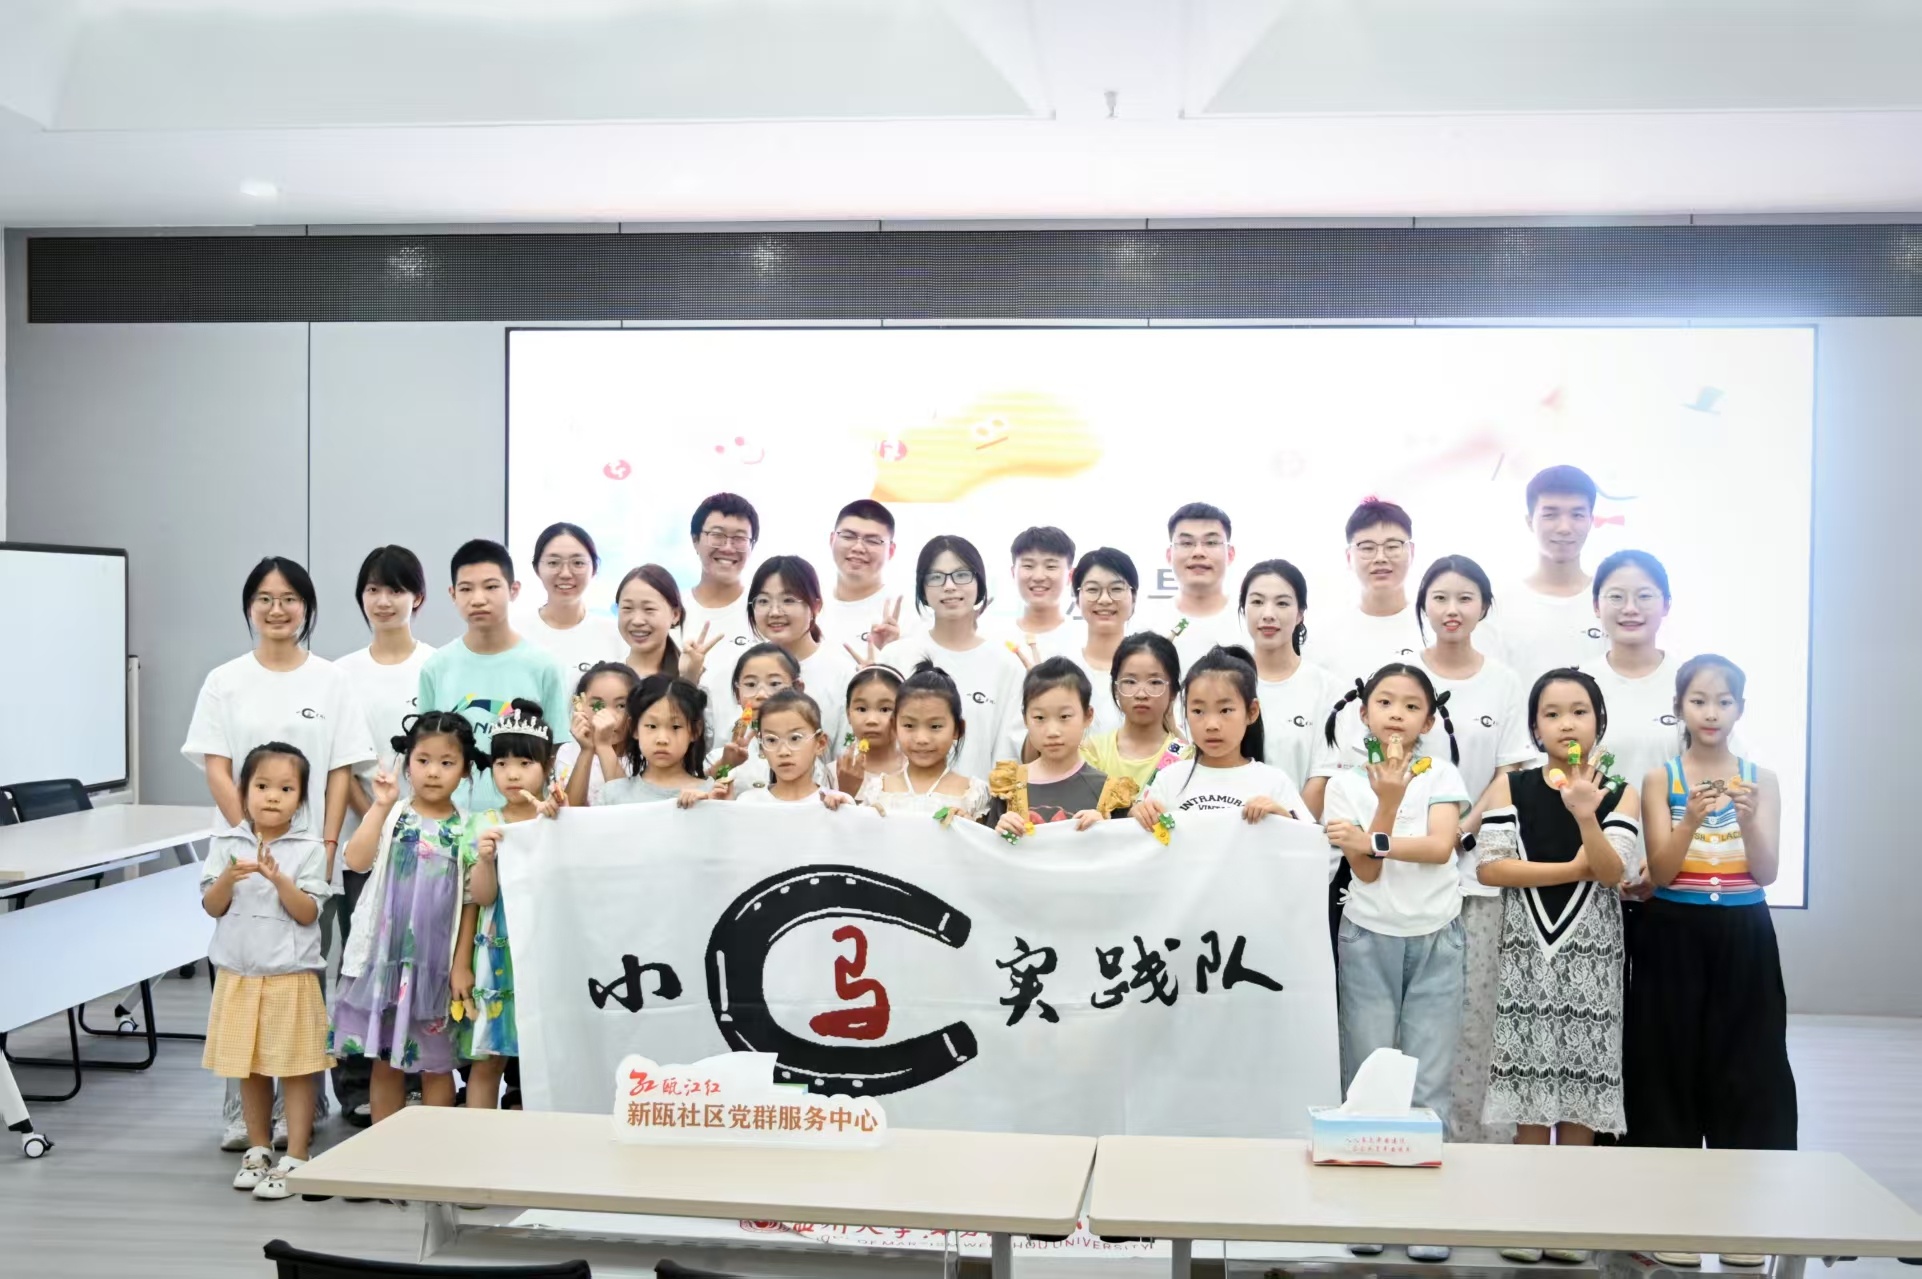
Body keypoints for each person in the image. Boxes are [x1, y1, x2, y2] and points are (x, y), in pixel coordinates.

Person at [182, 555, 374, 1150]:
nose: (277, 609)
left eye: (290, 598)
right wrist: (250, 833)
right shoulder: (225, 679)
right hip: (242, 851)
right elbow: (217, 766)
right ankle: (244, 1112)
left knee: (302, 977)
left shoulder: (331, 680)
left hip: (308, 854)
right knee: (241, 973)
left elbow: (340, 769)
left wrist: (325, 843)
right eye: (265, 598)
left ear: (307, 608)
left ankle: (303, 1105)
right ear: (249, 607)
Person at [1320, 664, 1469, 1264]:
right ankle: (1367, 1211)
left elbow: (1439, 848)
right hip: (1368, 938)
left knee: (1429, 1082)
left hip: (1437, 937)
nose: (1397, 714)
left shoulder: (1444, 774)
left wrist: (1372, 838)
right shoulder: (1343, 784)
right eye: (1385, 702)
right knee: (1367, 1079)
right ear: (1364, 714)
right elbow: (1367, 872)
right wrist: (1385, 804)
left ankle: (1426, 1215)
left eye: (1412, 705)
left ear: (1428, 721)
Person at [1630, 656, 1796, 1175]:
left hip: (1745, 930)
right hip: (1673, 930)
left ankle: (1745, 1194)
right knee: (1668, 1057)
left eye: (1724, 702)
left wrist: (1746, 824)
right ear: (1679, 707)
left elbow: (1766, 872)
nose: (1711, 713)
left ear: (1740, 709)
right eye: (1699, 701)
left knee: (1749, 1057)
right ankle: (1665, 1193)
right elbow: (1662, 872)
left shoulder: (1761, 781)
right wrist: (1691, 822)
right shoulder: (1660, 779)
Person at [1476, 669, 1641, 1177]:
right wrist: (1573, 868)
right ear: (1535, 728)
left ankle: (1573, 1205)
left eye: (1578, 712)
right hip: (1527, 953)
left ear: (1599, 721)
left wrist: (1586, 815)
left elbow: (1611, 872)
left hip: (1594, 956)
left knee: (1582, 1086)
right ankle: (1526, 1205)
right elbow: (1492, 868)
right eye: (1551, 714)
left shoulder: (1620, 792)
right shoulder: (1511, 786)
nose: (1566, 723)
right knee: (1529, 1088)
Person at [1409, 555, 1535, 1145]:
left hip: (1480, 868)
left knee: (1477, 1013)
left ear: (1484, 606)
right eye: (1440, 597)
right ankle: (1414, 1135)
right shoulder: (1404, 674)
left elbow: (1512, 768)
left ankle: (1477, 1144)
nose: (1452, 609)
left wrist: (1464, 825)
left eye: (1465, 598)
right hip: (1411, 866)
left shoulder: (1504, 681)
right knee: (1421, 1015)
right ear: (1424, 606)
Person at [331, 711, 489, 1122]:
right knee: (386, 1062)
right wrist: (380, 805)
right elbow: (356, 859)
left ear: (465, 770)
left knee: (436, 1065)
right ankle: (386, 1150)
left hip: (435, 968)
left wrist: (461, 965)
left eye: (447, 762)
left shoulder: (469, 828)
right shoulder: (393, 815)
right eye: (423, 760)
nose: (433, 772)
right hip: (385, 960)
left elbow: (471, 901)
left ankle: (432, 1153)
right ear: (407, 765)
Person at [331, 544, 436, 1128]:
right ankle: (355, 1087)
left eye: (395, 589)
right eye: (373, 589)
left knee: (419, 961)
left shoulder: (437, 666)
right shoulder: (342, 673)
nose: (384, 600)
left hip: (428, 843)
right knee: (361, 962)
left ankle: (418, 1077)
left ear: (417, 597)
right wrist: (375, 815)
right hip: (367, 839)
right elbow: (343, 765)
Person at [200, 743, 332, 1201]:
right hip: (239, 974)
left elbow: (308, 913)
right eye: (261, 786)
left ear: (301, 799)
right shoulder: (226, 844)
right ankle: (258, 1149)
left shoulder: (310, 849)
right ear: (243, 791)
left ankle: (296, 1154)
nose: (272, 796)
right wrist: (227, 879)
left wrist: (279, 879)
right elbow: (211, 906)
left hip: (289, 975)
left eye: (286, 789)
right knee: (249, 1066)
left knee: (295, 1068)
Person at [455, 701, 565, 1112]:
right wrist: (485, 860)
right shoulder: (483, 823)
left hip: (546, 950)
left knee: (547, 1056)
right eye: (502, 763)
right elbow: (480, 899)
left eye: (524, 762)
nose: (512, 774)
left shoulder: (560, 819)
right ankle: (480, 1144)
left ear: (547, 765)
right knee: (488, 1060)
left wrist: (557, 823)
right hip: (496, 955)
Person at [417, 539, 569, 814]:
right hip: (454, 821)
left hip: (525, 821)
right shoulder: (436, 667)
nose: (478, 599)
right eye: (466, 589)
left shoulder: (544, 666)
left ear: (514, 590)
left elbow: (557, 750)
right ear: (452, 594)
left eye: (491, 587)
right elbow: (424, 748)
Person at [877, 536, 1025, 780]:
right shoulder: (895, 656)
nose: (949, 586)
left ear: (979, 582)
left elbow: (1008, 754)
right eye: (936, 577)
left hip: (979, 801)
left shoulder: (1006, 666)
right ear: (922, 588)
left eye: (961, 575)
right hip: (900, 799)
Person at [1131, 646, 1308, 824]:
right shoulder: (1169, 780)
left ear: (1252, 711)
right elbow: (1141, 837)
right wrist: (1138, 816)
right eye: (1198, 711)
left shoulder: (1274, 783)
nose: (1212, 725)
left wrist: (1284, 820)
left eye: (1225, 710)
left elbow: (1312, 838)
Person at [1481, 466, 1609, 686]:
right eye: (1550, 515)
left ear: (1591, 521)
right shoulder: (1498, 607)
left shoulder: (1612, 604)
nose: (1564, 527)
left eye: (1577, 515)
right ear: (1529, 521)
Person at [983, 658, 1136, 837]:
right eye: (1039, 718)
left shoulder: (1108, 793)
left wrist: (1105, 831)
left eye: (1064, 716)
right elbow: (988, 850)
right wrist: (1002, 833)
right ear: (1025, 719)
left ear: (1088, 716)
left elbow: (1126, 848)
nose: (1052, 731)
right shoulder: (1009, 789)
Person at [1584, 549, 1688, 808]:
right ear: (1596, 606)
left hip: (1679, 833)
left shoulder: (1691, 683)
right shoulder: (1578, 685)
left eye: (1644, 596)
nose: (1630, 609)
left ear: (1666, 605)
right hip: (1591, 833)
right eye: (1616, 597)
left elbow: (1721, 766)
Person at [1239, 559, 1342, 819]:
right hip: (1230, 831)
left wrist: (1289, 823)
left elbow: (1323, 776)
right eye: (1257, 601)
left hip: (1300, 832)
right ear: (1243, 609)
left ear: (1300, 614)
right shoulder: (1224, 682)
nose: (1268, 614)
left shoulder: (1327, 689)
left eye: (1282, 603)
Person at [739, 556, 856, 751]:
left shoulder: (842, 673)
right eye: (764, 601)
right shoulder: (744, 669)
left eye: (788, 600)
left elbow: (846, 753)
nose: (775, 612)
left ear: (816, 606)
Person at [854, 663, 990, 820]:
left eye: (935, 726)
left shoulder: (973, 794)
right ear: (894, 726)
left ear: (957, 729)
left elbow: (986, 835)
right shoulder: (878, 790)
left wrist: (969, 826)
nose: (922, 739)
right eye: (909, 725)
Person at [1309, 498, 1423, 683]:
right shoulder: (1322, 640)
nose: (1380, 558)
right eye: (1367, 548)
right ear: (1349, 557)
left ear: (1412, 551)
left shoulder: (1434, 629)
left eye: (1392, 546)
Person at [514, 522, 623, 680]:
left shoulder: (615, 634)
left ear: (594, 568)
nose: (565, 574)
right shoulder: (514, 632)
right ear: (537, 568)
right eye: (553, 563)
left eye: (578, 563)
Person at [598, 675, 727, 808]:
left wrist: (709, 806)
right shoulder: (613, 795)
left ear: (695, 731)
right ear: (634, 728)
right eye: (652, 726)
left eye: (675, 727)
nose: (662, 739)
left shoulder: (712, 793)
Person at [1080, 632, 1188, 789]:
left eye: (1155, 682)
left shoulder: (1186, 758)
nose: (1141, 694)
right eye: (1130, 682)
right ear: (1116, 688)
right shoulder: (1092, 751)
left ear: (1173, 692)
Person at [1145, 503, 1244, 668]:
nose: (1198, 552)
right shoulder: (1147, 623)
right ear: (1169, 555)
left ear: (1230, 553)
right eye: (1186, 543)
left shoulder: (1250, 621)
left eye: (1211, 542)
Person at [732, 689, 856, 809]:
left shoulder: (836, 802)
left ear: (820, 744)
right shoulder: (748, 803)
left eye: (795, 738)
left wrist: (844, 811)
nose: (783, 752)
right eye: (771, 740)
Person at [679, 492, 760, 667]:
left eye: (740, 538)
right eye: (717, 535)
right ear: (695, 540)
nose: (728, 548)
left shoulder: (764, 611)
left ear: (752, 545)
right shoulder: (671, 609)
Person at [817, 499, 909, 646]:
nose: (858, 548)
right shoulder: (810, 606)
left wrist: (892, 653)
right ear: (832, 539)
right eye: (848, 536)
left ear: (891, 551)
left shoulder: (906, 615)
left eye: (872, 541)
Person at [559, 662, 641, 808]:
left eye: (621, 706)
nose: (608, 715)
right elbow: (571, 809)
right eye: (597, 706)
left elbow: (626, 805)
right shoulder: (568, 753)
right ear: (579, 706)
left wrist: (604, 746)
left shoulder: (644, 755)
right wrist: (587, 750)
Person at [833, 665, 905, 798]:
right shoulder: (834, 773)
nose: (871, 720)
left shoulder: (917, 769)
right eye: (861, 709)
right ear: (848, 714)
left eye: (885, 709)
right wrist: (845, 792)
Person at [1006, 526, 1076, 655]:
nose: (1038, 577)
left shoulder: (1085, 638)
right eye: (1028, 566)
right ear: (1013, 573)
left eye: (1051, 566)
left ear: (1070, 576)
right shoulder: (995, 638)